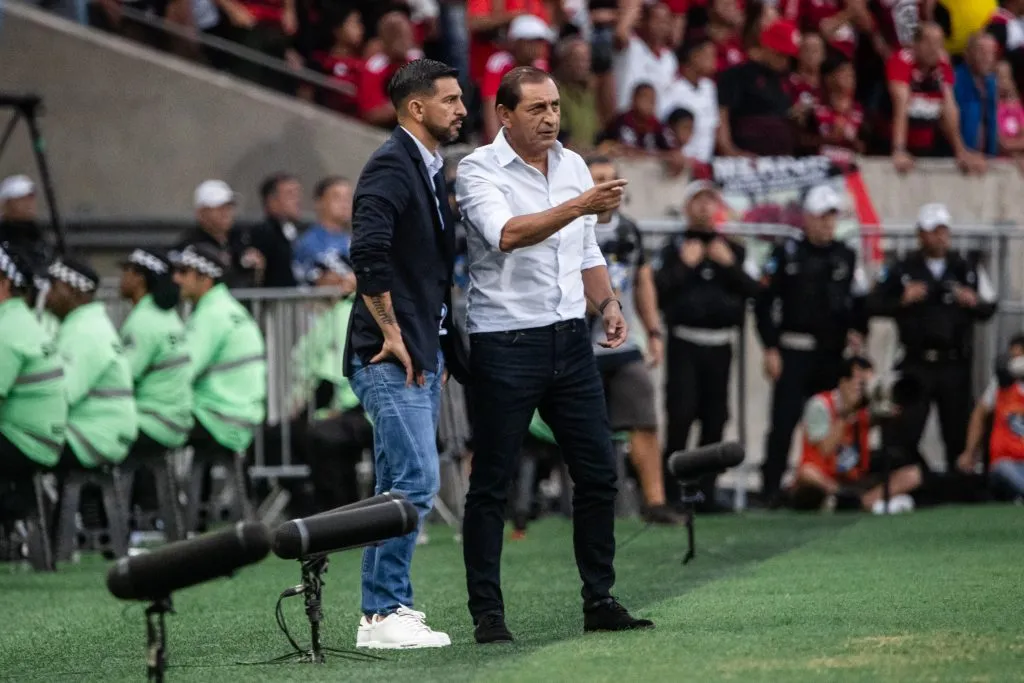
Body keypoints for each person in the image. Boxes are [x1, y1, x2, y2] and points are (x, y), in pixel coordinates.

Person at [456, 66, 653, 644]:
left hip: (570, 339)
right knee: (492, 482)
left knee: (597, 472)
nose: (550, 119)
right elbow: (509, 234)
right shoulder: (477, 169)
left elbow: (587, 247)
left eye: (555, 108)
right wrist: (582, 204)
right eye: (537, 109)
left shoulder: (571, 165)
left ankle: (600, 597)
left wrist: (609, 303)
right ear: (505, 115)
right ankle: (488, 614)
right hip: (505, 341)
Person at [344, 59, 469, 650]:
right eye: (450, 100)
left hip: (416, 351)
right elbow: (367, 252)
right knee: (416, 480)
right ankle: (385, 608)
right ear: (417, 108)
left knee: (399, 480)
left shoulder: (425, 166)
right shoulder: (393, 164)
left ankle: (379, 615)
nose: (462, 110)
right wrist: (391, 332)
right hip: (388, 354)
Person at [756, 185, 868, 505]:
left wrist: (859, 330)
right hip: (793, 350)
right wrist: (770, 347)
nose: (827, 224)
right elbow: (764, 303)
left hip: (831, 354)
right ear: (807, 218)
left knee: (832, 421)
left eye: (832, 216)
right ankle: (770, 491)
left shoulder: (846, 256)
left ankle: (828, 486)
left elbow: (859, 301)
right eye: (821, 216)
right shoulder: (786, 253)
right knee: (783, 424)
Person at [866, 203, 997, 475]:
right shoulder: (903, 268)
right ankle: (911, 481)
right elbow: (873, 302)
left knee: (956, 429)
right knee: (906, 427)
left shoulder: (964, 268)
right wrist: (902, 299)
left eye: (943, 230)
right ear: (921, 235)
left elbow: (989, 305)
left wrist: (971, 301)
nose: (940, 237)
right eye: (933, 231)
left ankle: (958, 486)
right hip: (917, 361)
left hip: (953, 362)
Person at [655, 180, 761, 512]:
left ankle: (706, 492)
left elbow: (755, 292)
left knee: (715, 421)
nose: (703, 208)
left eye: (709, 201)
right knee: (680, 418)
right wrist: (684, 265)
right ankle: (671, 493)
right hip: (684, 342)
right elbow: (656, 291)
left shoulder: (734, 249)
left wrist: (729, 265)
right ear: (687, 207)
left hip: (719, 345)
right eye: (697, 201)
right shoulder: (672, 249)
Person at [586, 156, 677, 525]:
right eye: (599, 179)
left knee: (644, 417)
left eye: (612, 179)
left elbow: (642, 281)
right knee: (582, 429)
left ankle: (654, 502)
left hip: (625, 343)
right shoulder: (571, 226)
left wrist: (654, 332)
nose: (608, 186)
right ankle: (589, 503)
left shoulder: (630, 230)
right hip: (581, 343)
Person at [171, 244, 266, 460]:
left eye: (184, 272)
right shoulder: (225, 307)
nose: (176, 279)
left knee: (150, 423)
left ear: (205, 279)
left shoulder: (211, 315)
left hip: (217, 418)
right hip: (235, 416)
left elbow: (182, 371)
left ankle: (156, 494)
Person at [292, 253, 371, 512]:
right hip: (359, 405)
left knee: (317, 435)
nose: (317, 282)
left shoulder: (343, 312)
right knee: (304, 434)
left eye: (324, 275)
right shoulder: (335, 313)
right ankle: (331, 509)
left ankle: (334, 511)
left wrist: (332, 409)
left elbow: (335, 373)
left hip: (362, 407)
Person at [791, 356, 922, 512]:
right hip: (823, 478)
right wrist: (848, 412)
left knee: (913, 474)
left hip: (855, 475)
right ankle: (844, 498)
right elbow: (825, 449)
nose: (864, 388)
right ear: (843, 382)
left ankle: (859, 502)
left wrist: (894, 404)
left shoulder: (867, 407)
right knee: (807, 473)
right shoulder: (820, 405)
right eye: (860, 383)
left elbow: (887, 422)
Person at [46, 257, 138, 469]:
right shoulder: (85, 324)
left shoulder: (85, 332)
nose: (47, 294)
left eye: (54, 286)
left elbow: (63, 394)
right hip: (100, 430)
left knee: (19, 444)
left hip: (93, 435)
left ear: (74, 292)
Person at [0, 243, 66, 477]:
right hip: (39, 438)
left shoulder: (7, 329)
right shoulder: (19, 319)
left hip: (25, 442)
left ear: (5, 283)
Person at [716, 19, 802, 156]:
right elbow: (722, 114)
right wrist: (731, 151)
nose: (785, 62)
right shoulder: (737, 74)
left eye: (789, 58)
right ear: (767, 47)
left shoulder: (782, 79)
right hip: (748, 160)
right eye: (781, 55)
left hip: (781, 159)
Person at [959, 334, 1024, 499]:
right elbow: (979, 415)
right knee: (1004, 469)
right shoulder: (1000, 386)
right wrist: (970, 452)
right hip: (1007, 462)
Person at [174, 180, 259, 288]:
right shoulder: (191, 245)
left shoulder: (241, 238)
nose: (226, 213)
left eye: (229, 207)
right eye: (219, 208)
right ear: (201, 213)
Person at [292, 176, 357, 279]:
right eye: (337, 197)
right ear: (319, 202)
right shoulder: (307, 243)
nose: (345, 203)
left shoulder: (355, 240)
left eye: (348, 197)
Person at [250, 173, 304, 288]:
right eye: (290, 194)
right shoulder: (263, 233)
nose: (297, 200)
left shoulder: (297, 231)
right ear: (272, 200)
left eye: (297, 194)